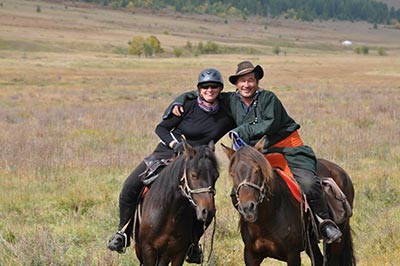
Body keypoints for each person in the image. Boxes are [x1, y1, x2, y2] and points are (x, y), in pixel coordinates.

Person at [169, 61, 342, 244]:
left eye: (250, 80)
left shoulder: (269, 98)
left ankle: (324, 223)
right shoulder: (231, 100)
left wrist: (241, 131)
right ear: (236, 84)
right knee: (239, 190)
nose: (246, 85)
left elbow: (269, 122)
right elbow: (205, 94)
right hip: (259, 153)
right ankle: (255, 229)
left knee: (307, 182)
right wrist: (180, 100)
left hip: (287, 148)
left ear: (256, 82)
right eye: (242, 81)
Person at [107, 68, 235, 263]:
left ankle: (193, 243)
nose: (210, 90)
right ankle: (123, 233)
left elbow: (245, 112)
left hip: (198, 161)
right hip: (167, 153)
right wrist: (176, 144)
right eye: (205, 86)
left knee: (208, 205)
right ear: (199, 89)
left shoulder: (226, 113)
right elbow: (162, 128)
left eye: (214, 86)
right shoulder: (187, 105)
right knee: (129, 187)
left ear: (220, 88)